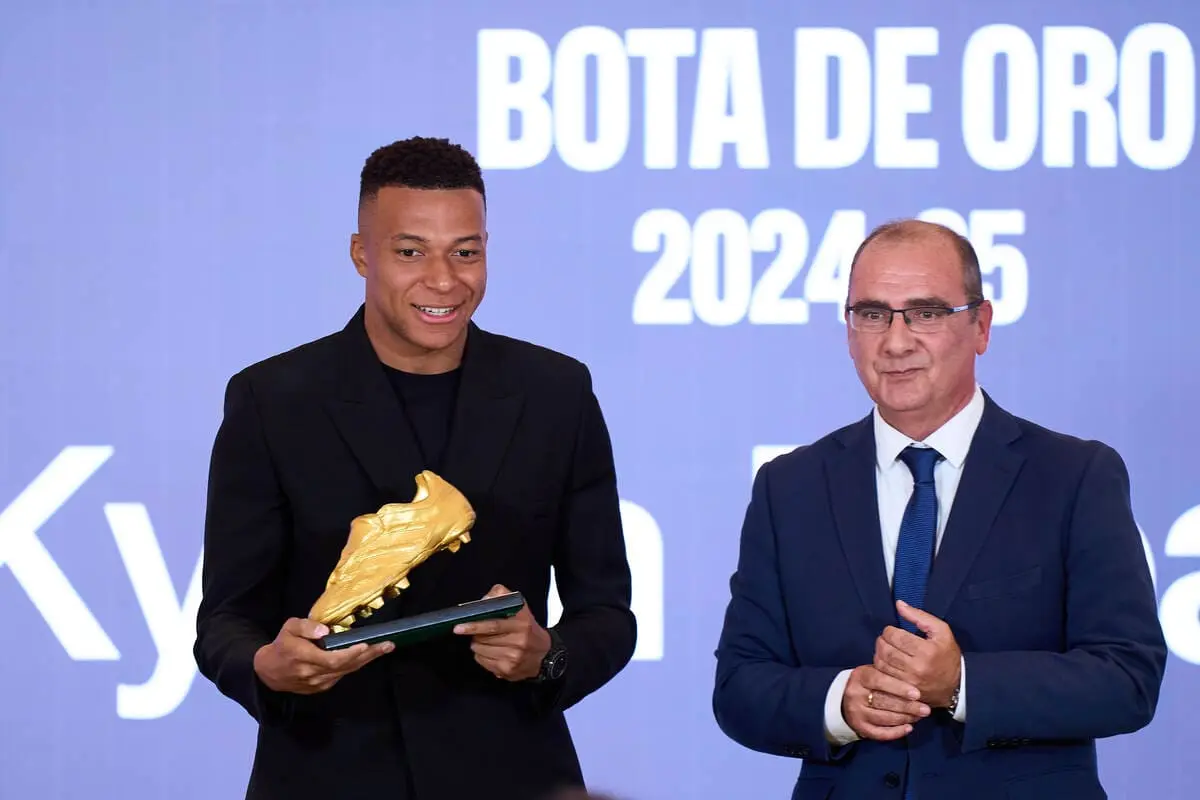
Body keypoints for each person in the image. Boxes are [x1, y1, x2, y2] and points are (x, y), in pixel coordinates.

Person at [194, 136, 637, 800]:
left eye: (466, 251)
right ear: (361, 254)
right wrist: (269, 666)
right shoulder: (273, 399)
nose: (443, 280)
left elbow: (607, 611)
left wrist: (546, 657)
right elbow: (224, 620)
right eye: (410, 252)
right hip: (327, 773)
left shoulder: (556, 394)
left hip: (511, 774)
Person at [711, 219, 1166, 799]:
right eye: (872, 314)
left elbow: (1128, 678)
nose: (896, 341)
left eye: (925, 312)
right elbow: (740, 687)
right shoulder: (789, 487)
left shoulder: (1074, 477)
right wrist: (838, 702)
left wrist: (962, 684)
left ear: (981, 325)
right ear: (849, 329)